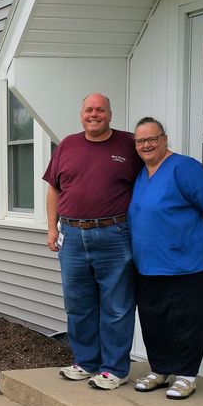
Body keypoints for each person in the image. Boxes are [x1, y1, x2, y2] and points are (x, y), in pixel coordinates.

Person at [43, 93, 143, 390]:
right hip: (72, 236)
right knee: (78, 303)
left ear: (110, 114)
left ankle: (115, 368)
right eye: (89, 109)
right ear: (81, 114)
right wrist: (51, 228)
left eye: (100, 109)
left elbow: (153, 176)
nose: (94, 114)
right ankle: (86, 362)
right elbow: (54, 190)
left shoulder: (129, 144)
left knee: (116, 305)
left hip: (114, 234)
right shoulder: (67, 145)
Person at [128, 118, 203, 400]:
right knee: (154, 316)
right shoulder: (142, 173)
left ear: (164, 138)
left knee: (188, 318)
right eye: (140, 141)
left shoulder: (184, 167)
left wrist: (183, 233)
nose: (146, 145)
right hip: (148, 262)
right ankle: (160, 370)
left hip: (190, 259)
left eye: (152, 139)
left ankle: (186, 375)